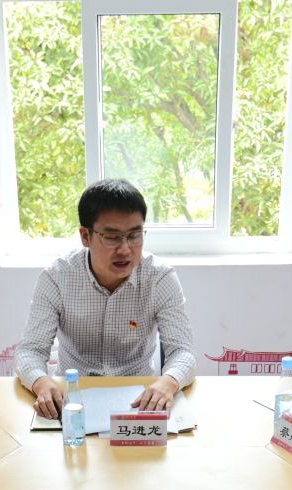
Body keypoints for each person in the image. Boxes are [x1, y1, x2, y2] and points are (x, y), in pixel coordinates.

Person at [15, 179, 195, 418]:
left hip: (138, 398)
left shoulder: (159, 277)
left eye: (135, 235)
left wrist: (168, 382)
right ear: (85, 236)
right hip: (73, 396)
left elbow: (183, 351)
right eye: (112, 237)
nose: (125, 249)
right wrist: (41, 382)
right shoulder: (57, 277)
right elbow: (30, 351)